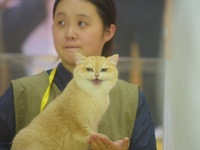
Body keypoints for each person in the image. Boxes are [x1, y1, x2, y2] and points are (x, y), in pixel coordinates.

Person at [0, 0, 157, 149]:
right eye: (61, 23)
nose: (70, 33)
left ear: (108, 32)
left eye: (82, 23)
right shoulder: (20, 93)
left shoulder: (132, 100)